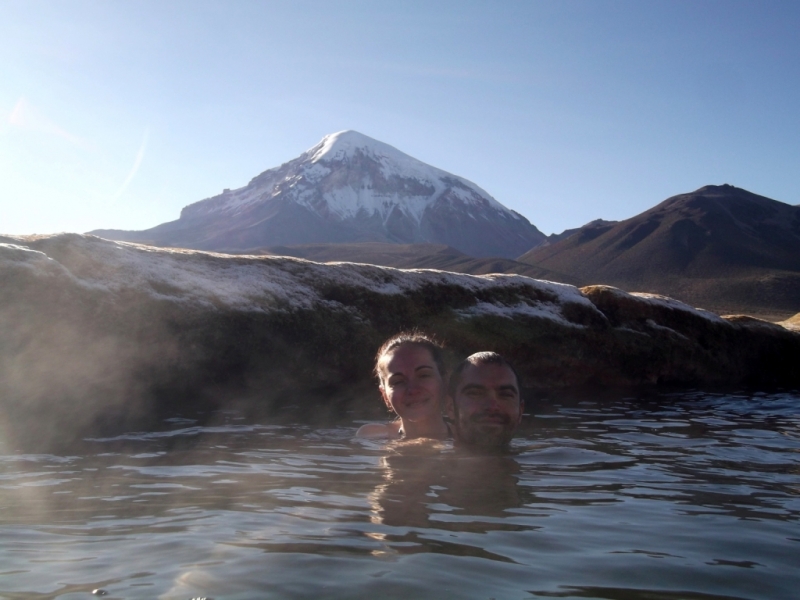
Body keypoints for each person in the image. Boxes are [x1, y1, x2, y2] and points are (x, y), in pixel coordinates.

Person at [356, 332, 452, 440]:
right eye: (398, 382)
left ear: (445, 382)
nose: (413, 390)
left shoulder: (469, 437)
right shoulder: (371, 436)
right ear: (385, 396)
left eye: (423, 375)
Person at [446, 351, 524, 451]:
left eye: (505, 395)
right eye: (475, 394)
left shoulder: (540, 459)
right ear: (450, 407)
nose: (492, 406)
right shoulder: (425, 457)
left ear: (520, 411)